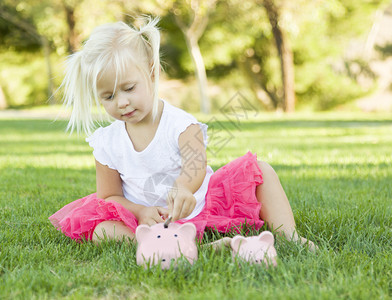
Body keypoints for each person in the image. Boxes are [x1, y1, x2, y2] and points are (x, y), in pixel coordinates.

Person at [49, 17, 316, 251]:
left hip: (200, 205)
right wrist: (141, 211)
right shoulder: (107, 143)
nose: (121, 102)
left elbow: (195, 165)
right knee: (103, 231)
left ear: (152, 73)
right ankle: (181, 245)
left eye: (129, 88)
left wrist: (184, 188)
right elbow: (108, 197)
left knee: (261, 170)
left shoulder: (180, 124)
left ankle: (289, 236)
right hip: (148, 220)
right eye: (108, 96)